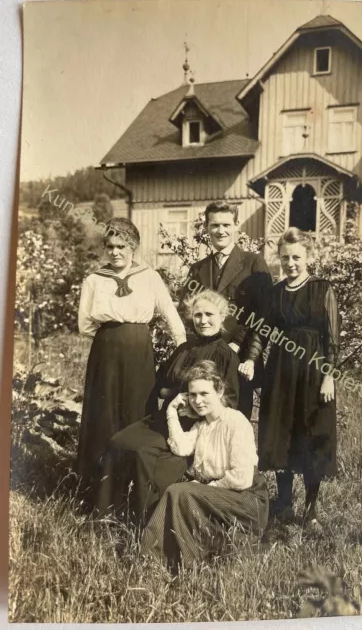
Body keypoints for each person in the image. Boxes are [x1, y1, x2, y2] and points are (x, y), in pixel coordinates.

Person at [96, 289, 245, 523]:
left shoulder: (227, 356)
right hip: (165, 416)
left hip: (193, 426)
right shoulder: (184, 349)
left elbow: (230, 403)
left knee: (143, 453)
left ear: (222, 316)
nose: (203, 321)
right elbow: (161, 384)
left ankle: (146, 522)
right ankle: (107, 514)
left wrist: (190, 404)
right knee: (118, 442)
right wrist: (171, 396)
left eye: (209, 315)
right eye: (197, 315)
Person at [77, 217, 186, 494]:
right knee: (104, 412)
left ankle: (134, 482)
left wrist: (182, 347)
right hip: (106, 351)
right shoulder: (94, 280)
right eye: (110, 246)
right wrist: (111, 335)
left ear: (133, 247)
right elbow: (85, 324)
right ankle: (98, 484)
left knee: (137, 408)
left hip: (138, 351)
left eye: (121, 246)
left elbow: (170, 314)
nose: (115, 252)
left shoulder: (149, 277)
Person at [140, 360, 269, 569]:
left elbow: (241, 478)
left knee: (181, 492)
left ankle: (172, 560)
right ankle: (155, 557)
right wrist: (172, 411)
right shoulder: (201, 426)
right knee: (178, 492)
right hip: (221, 495)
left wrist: (205, 488)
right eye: (192, 395)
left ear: (219, 391)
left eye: (204, 394)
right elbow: (181, 448)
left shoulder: (235, 422)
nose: (197, 401)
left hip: (246, 499)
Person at [258, 227, 340, 523]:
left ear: (308, 256)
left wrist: (329, 376)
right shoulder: (276, 293)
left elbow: (332, 337)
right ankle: (284, 503)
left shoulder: (322, 288)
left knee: (311, 432)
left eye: (296, 257)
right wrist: (251, 361)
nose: (290, 263)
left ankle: (311, 508)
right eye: (285, 258)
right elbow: (262, 331)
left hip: (313, 371)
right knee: (281, 433)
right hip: (280, 371)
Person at [179, 201, 272, 419]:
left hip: (239, 359)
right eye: (214, 225)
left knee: (236, 423)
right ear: (207, 228)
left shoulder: (253, 263)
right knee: (201, 423)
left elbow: (264, 316)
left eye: (226, 225)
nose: (221, 231)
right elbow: (186, 314)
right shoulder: (197, 269)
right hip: (205, 359)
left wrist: (246, 353)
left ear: (236, 226)